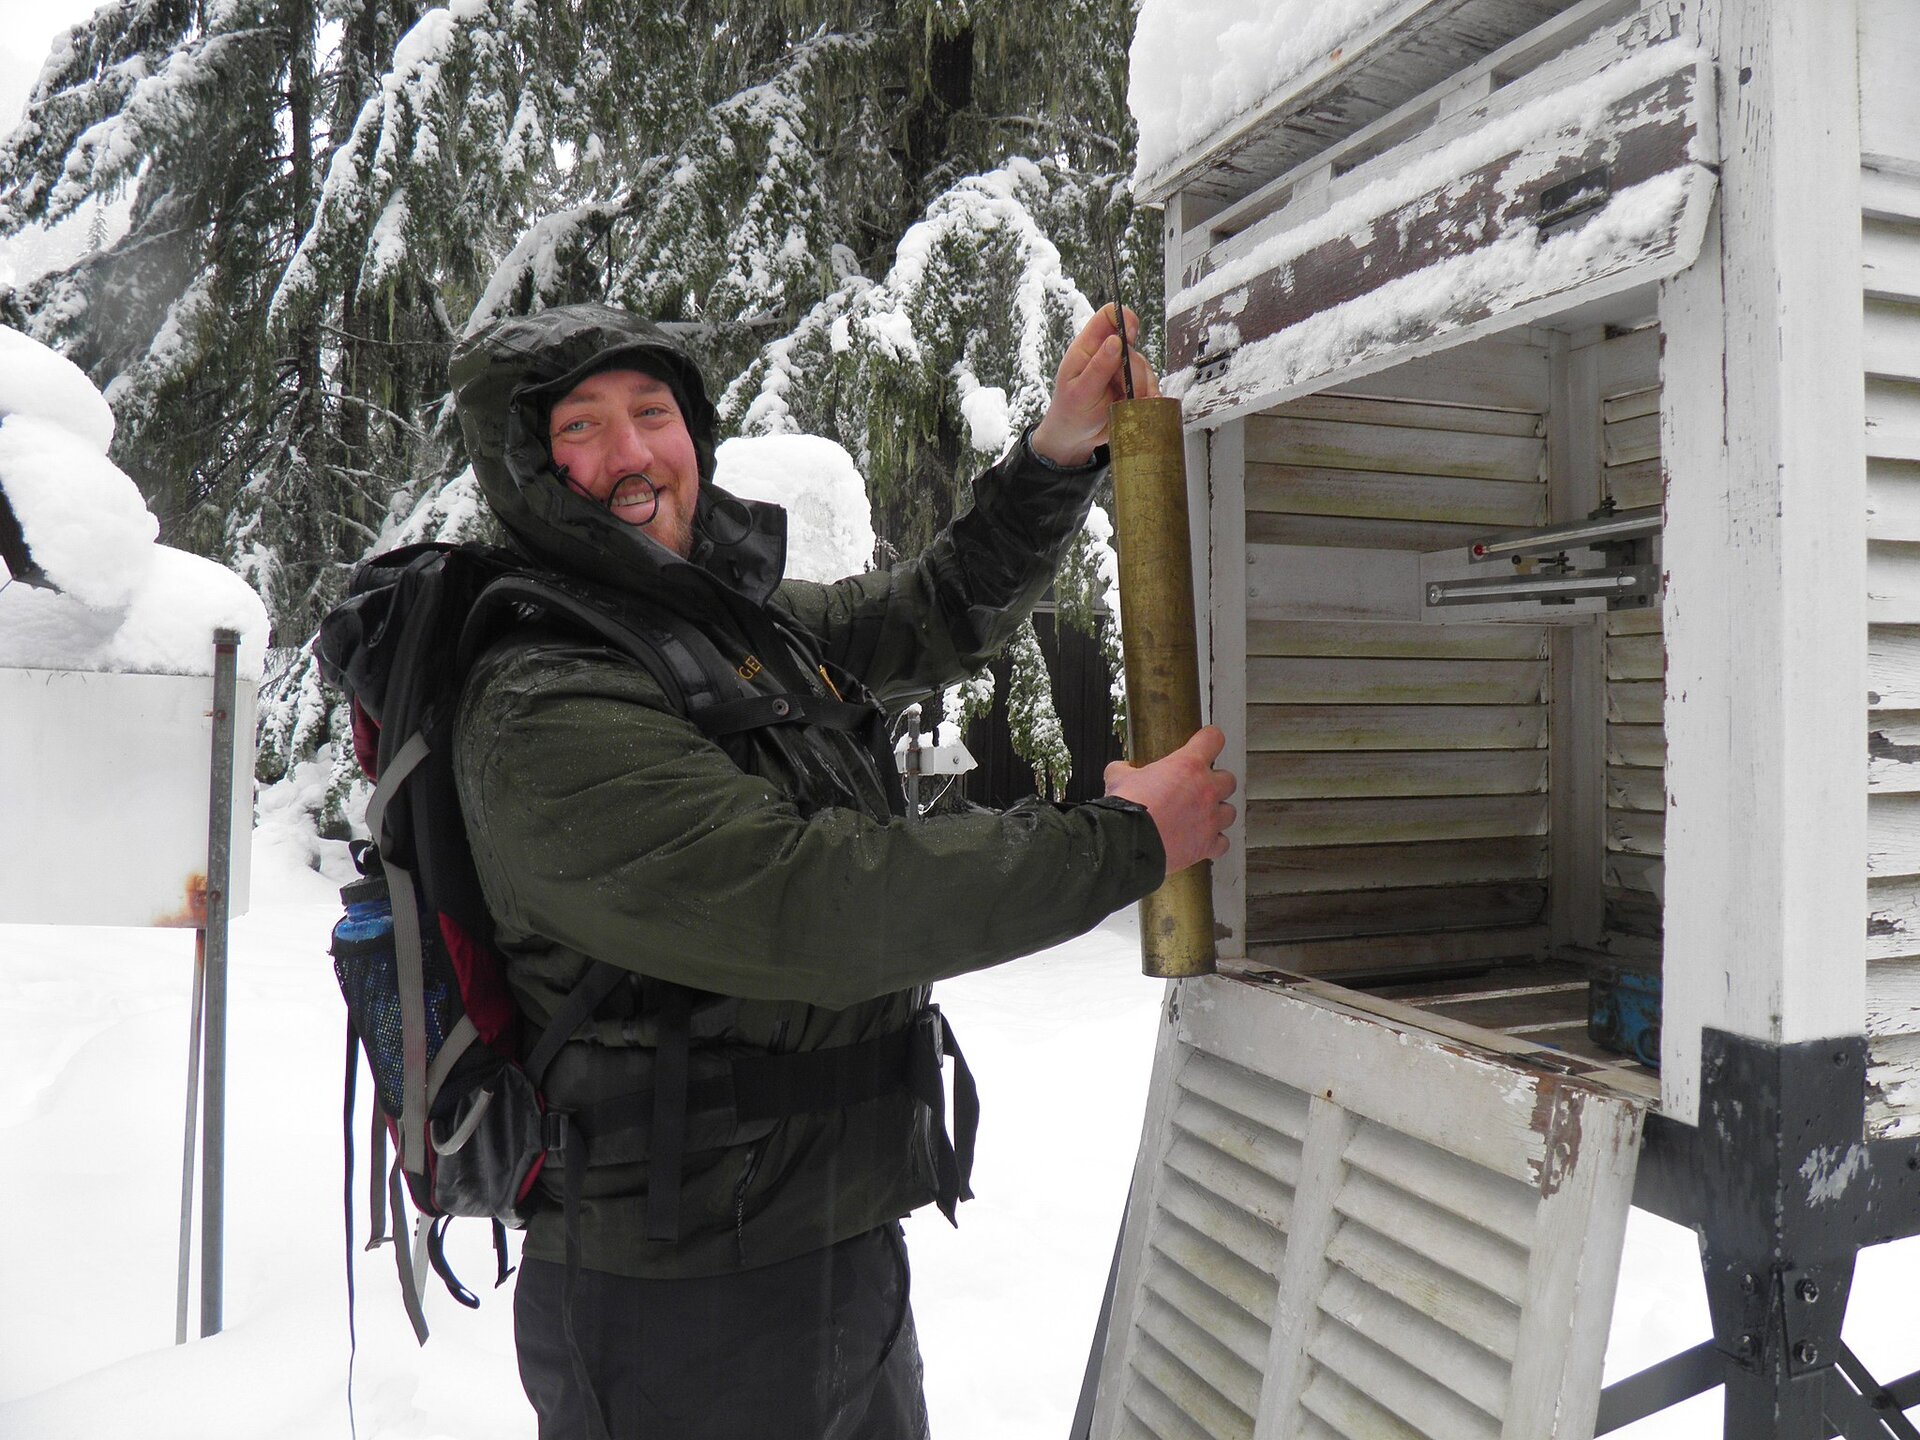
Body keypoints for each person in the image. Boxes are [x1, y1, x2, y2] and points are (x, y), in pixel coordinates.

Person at [445, 299, 1236, 1439]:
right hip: (676, 1310)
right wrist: (1123, 843)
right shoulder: (542, 699)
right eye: (582, 427)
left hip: (833, 1252)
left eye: (654, 414)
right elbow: (811, 903)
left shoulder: (725, 631)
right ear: (527, 466)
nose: (632, 455)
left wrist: (1062, 452)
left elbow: (930, 610)